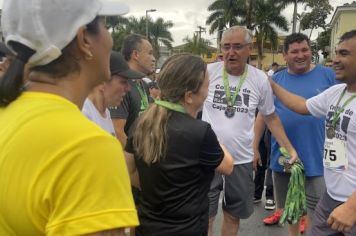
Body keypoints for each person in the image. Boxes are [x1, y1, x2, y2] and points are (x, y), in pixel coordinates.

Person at [0, 0, 138, 235]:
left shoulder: (8, 113)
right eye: (105, 25)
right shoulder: (89, 147)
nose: (110, 38)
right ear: (84, 39)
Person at [202, 25, 297, 236]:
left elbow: (270, 116)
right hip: (208, 158)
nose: (230, 52)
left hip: (241, 160)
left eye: (237, 46)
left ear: (249, 49)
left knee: (233, 215)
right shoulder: (208, 73)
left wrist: (289, 148)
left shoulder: (260, 79)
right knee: (204, 215)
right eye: (226, 46)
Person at [124, 54, 233, 236]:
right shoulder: (200, 131)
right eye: (207, 85)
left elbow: (129, 171)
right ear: (189, 96)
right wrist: (217, 137)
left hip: (147, 226)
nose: (208, 90)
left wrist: (158, 192)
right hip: (187, 228)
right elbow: (228, 166)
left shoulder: (142, 122)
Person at [270, 30, 356, 236]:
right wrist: (271, 84)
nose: (335, 60)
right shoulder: (338, 92)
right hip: (332, 196)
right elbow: (302, 105)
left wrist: (351, 207)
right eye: (336, 53)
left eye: (343, 54)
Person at [261, 33, 336, 235]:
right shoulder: (275, 79)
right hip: (284, 157)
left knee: (318, 212)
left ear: (311, 51)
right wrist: (253, 146)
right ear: (285, 55)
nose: (300, 55)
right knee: (291, 209)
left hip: (318, 158)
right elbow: (264, 114)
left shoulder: (329, 76)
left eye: (305, 50)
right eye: (294, 51)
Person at [109, 34, 156, 147]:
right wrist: (135, 159)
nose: (154, 59)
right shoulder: (121, 87)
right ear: (135, 54)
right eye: (149, 53)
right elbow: (118, 131)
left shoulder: (144, 84)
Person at [82, 51, 144, 136]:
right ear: (102, 82)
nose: (128, 88)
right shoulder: (84, 115)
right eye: (123, 82)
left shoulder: (105, 112)